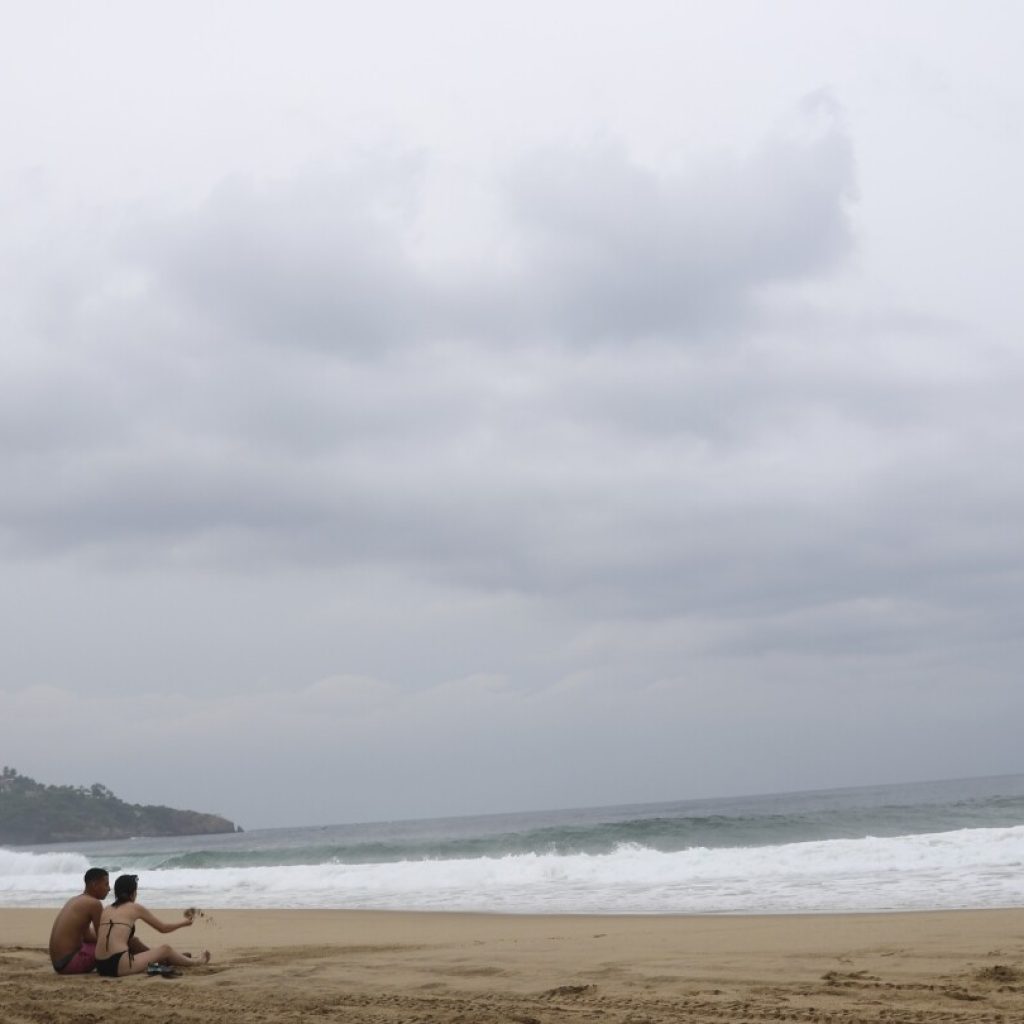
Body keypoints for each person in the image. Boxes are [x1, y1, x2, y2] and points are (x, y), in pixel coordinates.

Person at [93, 873, 209, 977]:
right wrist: (184, 923)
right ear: (133, 893)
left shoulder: (107, 909)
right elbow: (163, 928)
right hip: (118, 964)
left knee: (132, 941)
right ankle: (197, 962)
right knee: (166, 949)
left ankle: (163, 963)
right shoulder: (135, 908)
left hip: (100, 965)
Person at [49, 867, 110, 974]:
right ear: (95, 885)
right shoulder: (94, 904)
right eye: (106, 884)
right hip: (70, 964)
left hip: (59, 964)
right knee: (115, 945)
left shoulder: (75, 900)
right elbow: (102, 940)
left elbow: (87, 936)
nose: (109, 888)